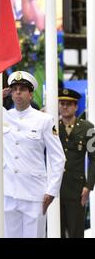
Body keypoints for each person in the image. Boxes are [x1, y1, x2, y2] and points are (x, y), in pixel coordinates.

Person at [0, 71, 65, 238]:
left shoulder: (44, 120)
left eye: (22, 89)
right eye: (14, 89)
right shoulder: (1, 116)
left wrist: (52, 190)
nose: (17, 93)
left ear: (30, 94)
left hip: (34, 193)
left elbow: (57, 157)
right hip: (8, 191)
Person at [59, 87, 95, 238]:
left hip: (77, 188)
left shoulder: (88, 128)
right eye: (62, 103)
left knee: (76, 232)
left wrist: (88, 185)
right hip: (55, 186)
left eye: (69, 103)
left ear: (76, 106)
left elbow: (93, 158)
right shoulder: (51, 126)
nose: (64, 107)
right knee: (55, 230)